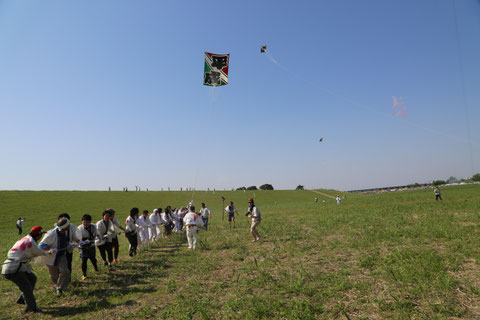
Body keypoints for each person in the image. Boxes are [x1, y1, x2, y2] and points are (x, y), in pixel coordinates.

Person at [2, 226, 50, 313]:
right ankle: (31, 308)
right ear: (38, 235)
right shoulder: (31, 242)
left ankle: (22, 299)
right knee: (26, 288)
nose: (41, 237)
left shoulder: (26, 238)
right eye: (41, 234)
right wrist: (49, 252)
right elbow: (39, 252)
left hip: (16, 266)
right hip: (13, 268)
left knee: (32, 278)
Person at [39, 217, 73, 297]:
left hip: (61, 255)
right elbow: (41, 246)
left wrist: (69, 244)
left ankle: (61, 288)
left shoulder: (63, 232)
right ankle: (57, 287)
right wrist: (51, 249)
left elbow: (63, 241)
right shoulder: (51, 234)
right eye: (68, 225)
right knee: (54, 275)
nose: (69, 227)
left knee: (65, 271)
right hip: (51, 257)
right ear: (64, 227)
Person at [77, 215, 98, 280]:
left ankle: (96, 267)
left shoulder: (94, 227)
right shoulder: (79, 228)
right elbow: (77, 239)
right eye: (84, 222)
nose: (85, 224)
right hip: (82, 247)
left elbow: (96, 234)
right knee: (84, 260)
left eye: (87, 222)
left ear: (90, 222)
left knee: (93, 259)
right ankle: (84, 274)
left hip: (91, 246)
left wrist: (98, 236)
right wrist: (83, 241)